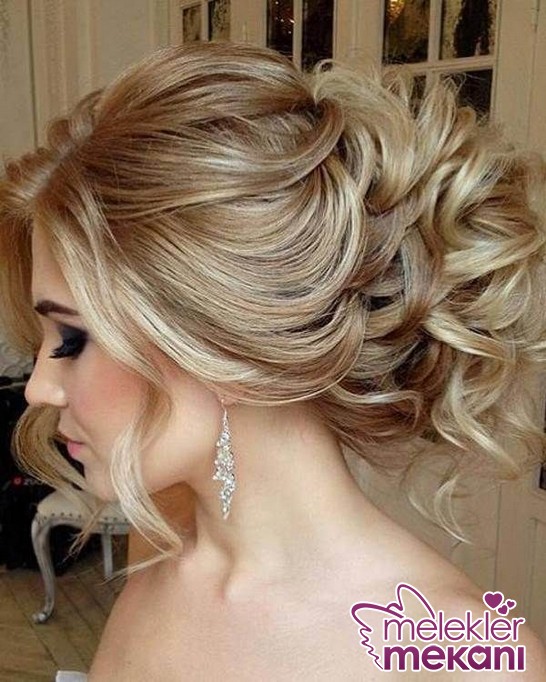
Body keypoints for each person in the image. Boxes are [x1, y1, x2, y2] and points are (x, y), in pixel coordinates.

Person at [1, 41, 546, 680]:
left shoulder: (466, 658)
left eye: (72, 340)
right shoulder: (163, 538)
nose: (38, 388)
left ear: (225, 347)